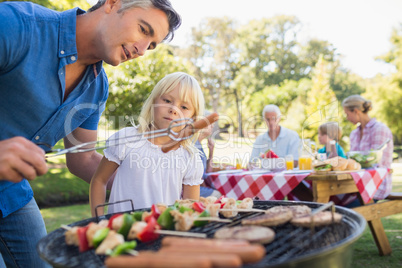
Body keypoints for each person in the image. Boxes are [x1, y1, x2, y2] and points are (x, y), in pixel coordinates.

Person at [0, 1, 181, 266]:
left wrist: (151, 181)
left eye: (152, 45)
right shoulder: (16, 25)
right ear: (112, 3)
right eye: (143, 30)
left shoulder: (97, 88)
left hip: (12, 195)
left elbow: (83, 159)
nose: (142, 51)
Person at [90, 72, 205, 216]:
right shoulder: (126, 139)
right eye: (167, 101)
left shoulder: (190, 158)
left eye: (184, 107)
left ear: (193, 118)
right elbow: (99, 180)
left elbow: (190, 210)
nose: (173, 110)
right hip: (121, 232)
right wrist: (99, 221)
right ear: (153, 102)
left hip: (161, 234)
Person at [342, 95, 394, 206]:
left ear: (356, 111)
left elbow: (377, 162)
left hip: (375, 186)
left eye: (347, 114)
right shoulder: (354, 133)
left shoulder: (379, 129)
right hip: (355, 185)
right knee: (329, 203)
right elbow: (354, 162)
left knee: (340, 210)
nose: (347, 118)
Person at [195, 117, 222, 198]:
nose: (213, 126)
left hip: (199, 186)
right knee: (218, 195)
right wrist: (206, 187)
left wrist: (211, 151)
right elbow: (196, 175)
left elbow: (208, 171)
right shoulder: (194, 144)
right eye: (211, 124)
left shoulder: (199, 143)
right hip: (192, 188)